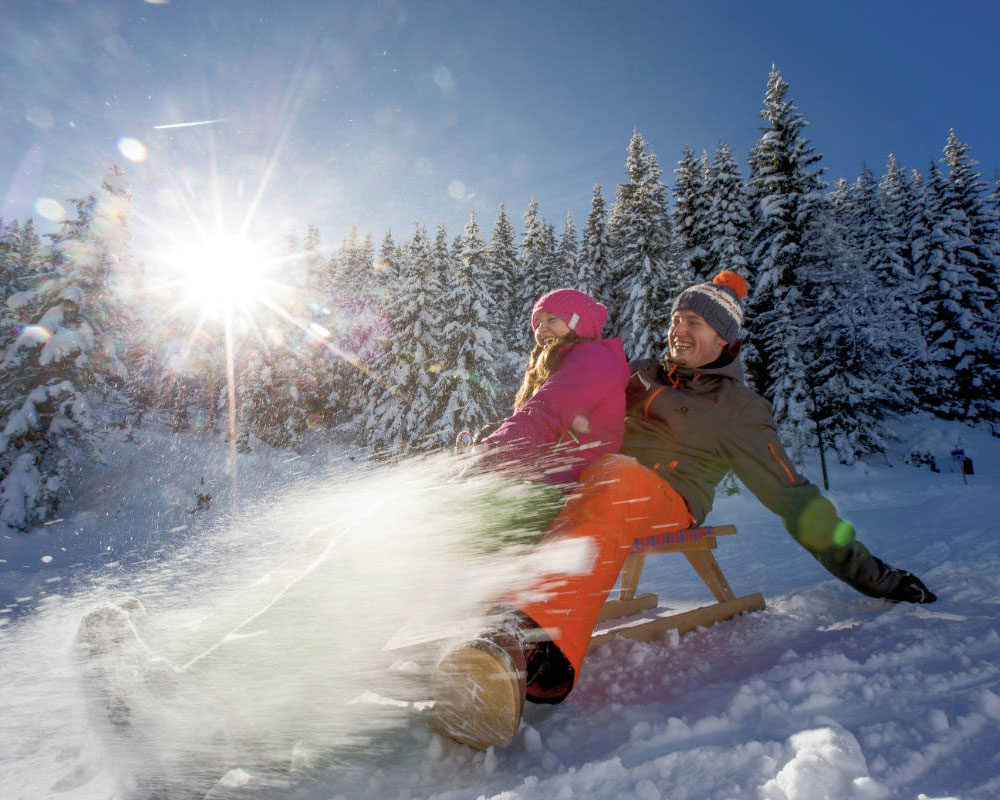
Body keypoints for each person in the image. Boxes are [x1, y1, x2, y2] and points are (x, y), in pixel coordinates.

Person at [429, 270, 936, 751]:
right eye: (675, 320)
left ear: (723, 338)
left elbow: (795, 498)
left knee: (617, 476)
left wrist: (876, 578)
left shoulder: (738, 407)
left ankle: (521, 644)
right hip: (596, 489)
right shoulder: (641, 375)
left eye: (693, 322)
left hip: (668, 498)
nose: (678, 329)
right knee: (530, 498)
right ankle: (477, 647)